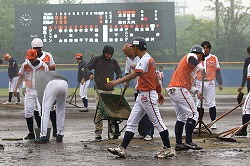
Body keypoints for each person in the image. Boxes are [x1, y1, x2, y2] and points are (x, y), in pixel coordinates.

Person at [107, 37, 174, 158]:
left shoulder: (145, 59)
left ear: (136, 47)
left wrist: (117, 82)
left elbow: (135, 74)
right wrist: (159, 92)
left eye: (132, 47)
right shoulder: (149, 59)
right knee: (132, 122)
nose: (131, 49)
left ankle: (168, 148)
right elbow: (155, 78)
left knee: (158, 122)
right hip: (142, 95)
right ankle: (122, 148)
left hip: (147, 95)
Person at [167, 45, 205, 151]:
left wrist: (197, 92)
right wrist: (202, 69)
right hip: (178, 89)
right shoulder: (191, 56)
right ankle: (189, 142)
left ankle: (179, 144)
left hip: (173, 90)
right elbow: (192, 58)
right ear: (200, 54)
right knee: (193, 113)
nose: (202, 58)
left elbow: (189, 86)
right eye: (202, 56)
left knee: (182, 118)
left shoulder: (191, 70)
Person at [85, 45, 122, 140]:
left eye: (111, 54)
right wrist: (90, 73)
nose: (109, 56)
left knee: (112, 110)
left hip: (111, 89)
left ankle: (112, 130)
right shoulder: (97, 59)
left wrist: (119, 77)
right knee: (100, 111)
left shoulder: (114, 62)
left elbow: (119, 71)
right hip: (99, 89)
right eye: (107, 54)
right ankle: (98, 132)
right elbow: (86, 68)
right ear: (104, 52)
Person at [14, 49, 48, 139]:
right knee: (28, 112)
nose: (30, 60)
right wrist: (16, 88)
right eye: (29, 58)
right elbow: (21, 77)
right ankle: (31, 132)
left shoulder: (43, 66)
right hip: (29, 90)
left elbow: (47, 79)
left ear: (36, 56)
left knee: (39, 111)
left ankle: (41, 132)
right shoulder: (25, 65)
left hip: (40, 90)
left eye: (32, 58)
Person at [123, 43, 154, 141]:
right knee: (139, 113)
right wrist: (126, 81)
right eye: (125, 54)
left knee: (149, 113)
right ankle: (142, 132)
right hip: (138, 88)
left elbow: (141, 70)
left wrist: (117, 82)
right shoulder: (128, 59)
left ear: (133, 49)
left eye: (128, 53)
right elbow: (127, 72)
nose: (127, 55)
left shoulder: (143, 57)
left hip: (147, 89)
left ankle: (149, 133)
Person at [31, 38, 58, 137]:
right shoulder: (30, 56)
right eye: (34, 48)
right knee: (36, 108)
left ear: (41, 48)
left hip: (47, 85)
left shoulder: (48, 56)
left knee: (50, 108)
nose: (36, 50)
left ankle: (55, 129)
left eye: (38, 48)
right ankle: (40, 129)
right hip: (35, 86)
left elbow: (53, 69)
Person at [34, 71, 68, 143]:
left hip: (52, 83)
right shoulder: (49, 73)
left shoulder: (38, 78)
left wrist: (42, 105)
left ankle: (43, 136)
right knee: (61, 111)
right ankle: (60, 135)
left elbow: (40, 94)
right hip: (64, 83)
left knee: (45, 112)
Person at [195, 41, 223, 129]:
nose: (206, 49)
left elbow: (217, 71)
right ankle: (199, 121)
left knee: (211, 103)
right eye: (204, 48)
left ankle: (213, 122)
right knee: (199, 103)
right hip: (199, 82)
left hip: (210, 82)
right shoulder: (197, 58)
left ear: (210, 49)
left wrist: (220, 83)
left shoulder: (214, 58)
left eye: (207, 48)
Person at [236, 46, 250, 136]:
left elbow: (245, 74)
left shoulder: (248, 61)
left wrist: (242, 85)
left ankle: (243, 130)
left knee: (246, 109)